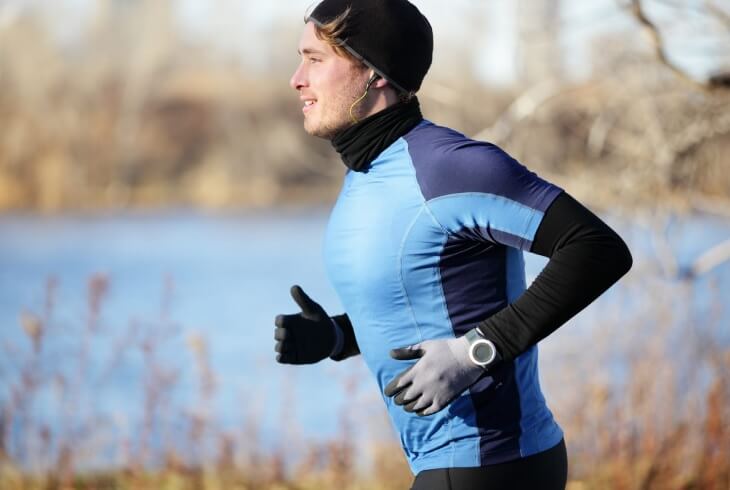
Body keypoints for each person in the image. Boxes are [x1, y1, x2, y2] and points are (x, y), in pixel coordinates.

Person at [274, 1, 633, 489]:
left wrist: (474, 353)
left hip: (489, 463)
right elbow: (431, 304)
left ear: (374, 72)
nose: (297, 79)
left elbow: (596, 247)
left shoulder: (449, 167)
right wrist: (339, 336)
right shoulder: (368, 172)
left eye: (315, 60)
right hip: (460, 465)